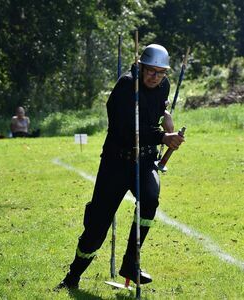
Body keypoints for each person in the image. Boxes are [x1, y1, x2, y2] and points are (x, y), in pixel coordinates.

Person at [57, 44, 184, 290]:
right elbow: (127, 131)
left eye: (161, 72)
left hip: (145, 161)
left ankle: (130, 264)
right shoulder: (126, 87)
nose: (155, 77)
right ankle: (73, 276)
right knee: (96, 227)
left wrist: (167, 118)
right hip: (116, 162)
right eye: (151, 71)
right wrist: (162, 137)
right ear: (141, 66)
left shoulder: (163, 86)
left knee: (150, 199)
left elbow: (155, 109)